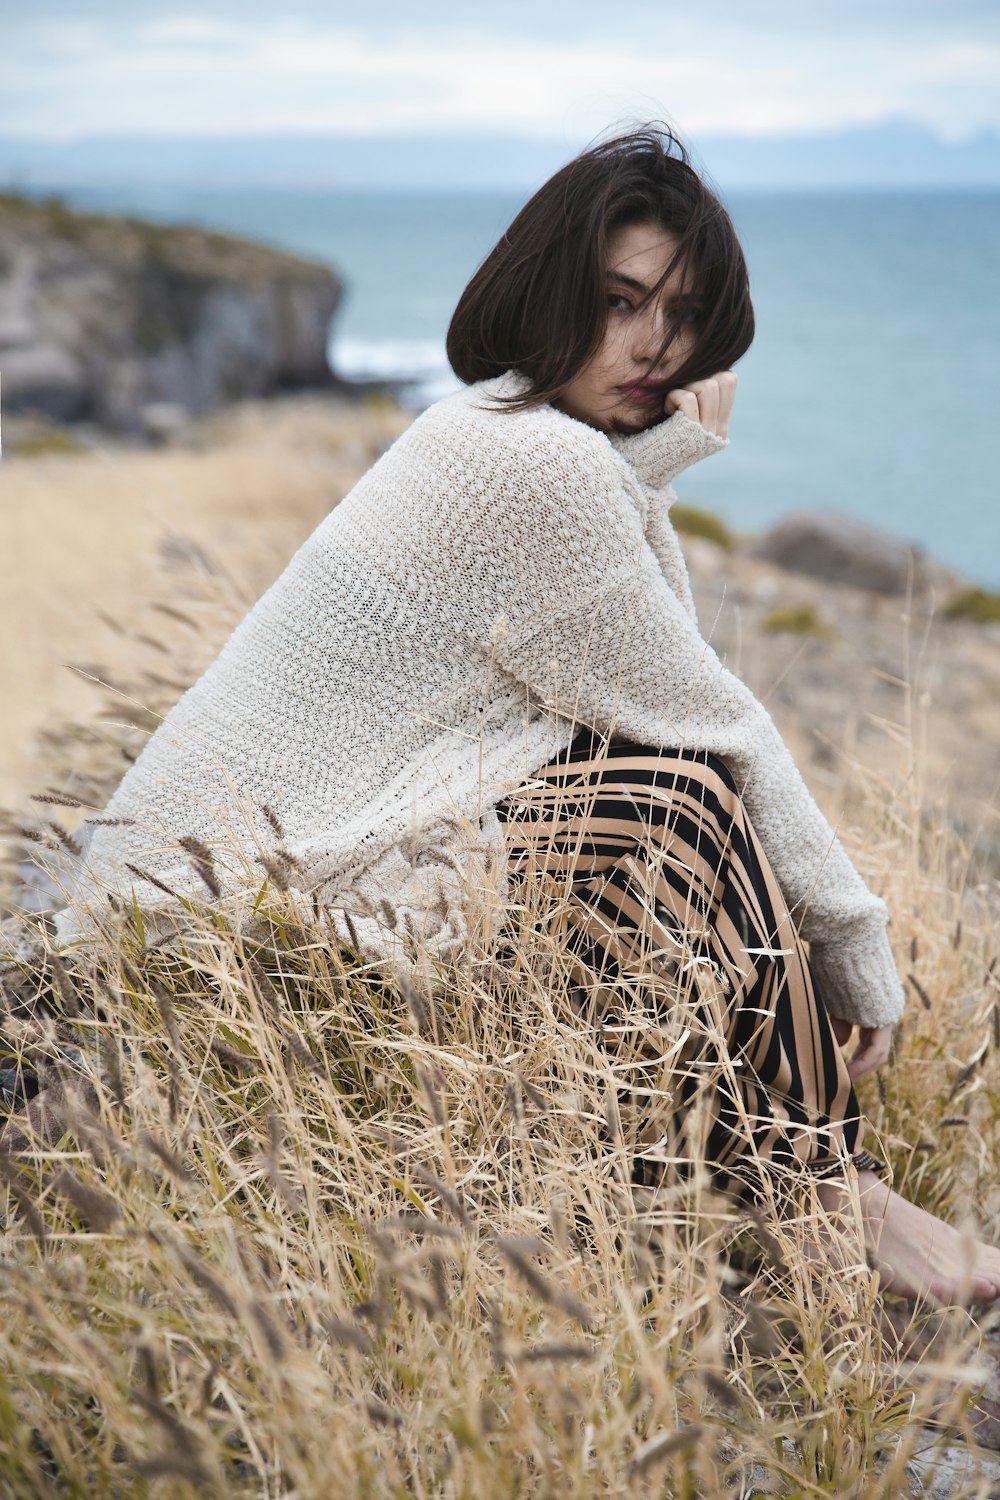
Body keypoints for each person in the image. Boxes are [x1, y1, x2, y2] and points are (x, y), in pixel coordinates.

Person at [43, 126, 1000, 1306]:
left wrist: (650, 465)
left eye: (685, 315)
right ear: (549, 289)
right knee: (681, 798)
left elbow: (632, 668)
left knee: (659, 786)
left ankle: (815, 1196)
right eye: (620, 302)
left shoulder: (496, 431)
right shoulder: (530, 462)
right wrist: (858, 953)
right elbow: (711, 718)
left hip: (233, 896)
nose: (658, 345)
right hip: (225, 927)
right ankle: (827, 1200)